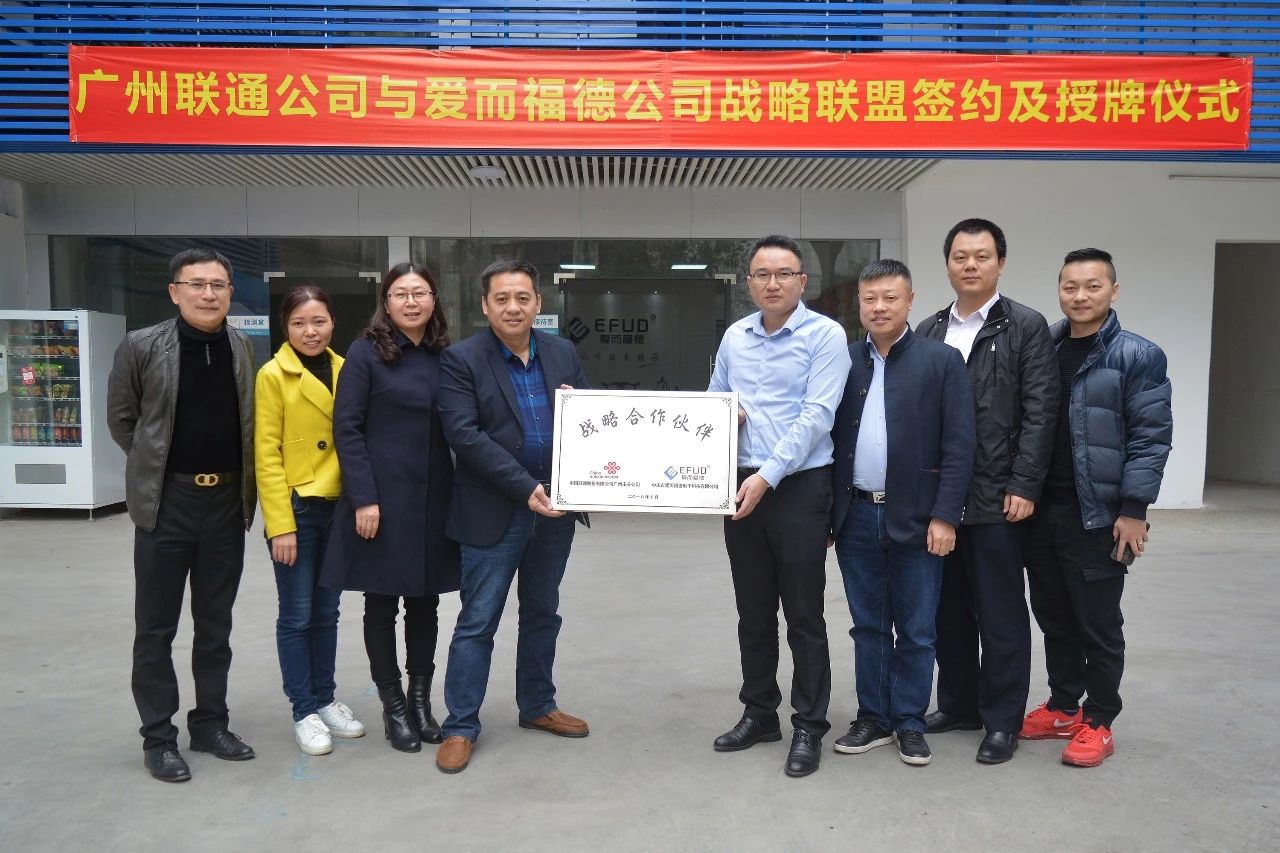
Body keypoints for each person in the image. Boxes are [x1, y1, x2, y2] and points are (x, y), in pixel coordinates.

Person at [434, 258, 591, 775]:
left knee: (543, 612)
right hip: (494, 512)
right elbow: (465, 435)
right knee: (478, 621)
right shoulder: (461, 359)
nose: (513, 307)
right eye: (501, 298)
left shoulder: (563, 353)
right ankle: (460, 725)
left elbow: (592, 421)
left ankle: (538, 705)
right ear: (485, 305)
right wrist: (526, 488)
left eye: (523, 297)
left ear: (538, 302)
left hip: (556, 510)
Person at [107, 247, 257, 783]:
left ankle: (211, 724)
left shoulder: (242, 347)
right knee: (156, 627)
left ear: (230, 293)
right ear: (175, 292)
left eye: (218, 285)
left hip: (226, 503)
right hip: (167, 504)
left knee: (215, 625)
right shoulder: (142, 346)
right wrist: (154, 470)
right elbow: (123, 420)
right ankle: (159, 737)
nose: (208, 294)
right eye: (197, 284)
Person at [1019, 248, 1172, 767]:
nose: (1080, 296)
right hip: (1042, 510)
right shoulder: (1045, 346)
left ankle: (1100, 719)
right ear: (1059, 291)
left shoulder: (1138, 355)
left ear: (1113, 291)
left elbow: (1151, 437)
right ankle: (1064, 706)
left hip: (1099, 515)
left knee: (1098, 623)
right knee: (1053, 615)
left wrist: (1134, 509)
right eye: (1070, 287)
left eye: (1092, 286)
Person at [707, 235, 852, 778]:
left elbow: (817, 416)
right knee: (753, 611)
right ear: (749, 282)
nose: (773, 283)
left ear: (802, 282)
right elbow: (713, 400)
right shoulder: (735, 336)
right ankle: (760, 713)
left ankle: (809, 724)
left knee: (804, 615)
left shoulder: (826, 336)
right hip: (740, 484)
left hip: (798, 488)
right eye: (762, 274)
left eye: (784, 273)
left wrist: (767, 477)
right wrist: (727, 415)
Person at [917, 218, 1059, 764]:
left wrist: (1024, 482)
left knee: (1000, 616)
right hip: (941, 500)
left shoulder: (1026, 326)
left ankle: (1002, 721)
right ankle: (958, 704)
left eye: (981, 256)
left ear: (1000, 263)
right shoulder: (929, 329)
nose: (970, 265)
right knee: (947, 612)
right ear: (947, 265)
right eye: (960, 256)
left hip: (1000, 499)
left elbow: (1041, 412)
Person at [829, 259, 975, 767]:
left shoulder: (942, 361)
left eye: (890, 297)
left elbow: (960, 445)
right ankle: (873, 716)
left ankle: (910, 720)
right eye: (869, 298)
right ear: (859, 304)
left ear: (910, 301)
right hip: (856, 516)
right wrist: (828, 515)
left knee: (917, 629)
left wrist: (946, 515)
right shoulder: (844, 361)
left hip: (919, 518)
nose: (879, 307)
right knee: (868, 626)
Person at [319, 263, 460, 754]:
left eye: (420, 293)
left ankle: (421, 703)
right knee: (380, 604)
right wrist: (364, 498)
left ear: (434, 299)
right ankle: (393, 706)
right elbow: (347, 429)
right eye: (401, 293)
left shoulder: (446, 356)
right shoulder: (365, 353)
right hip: (379, 500)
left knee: (425, 603)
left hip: (434, 498)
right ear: (386, 301)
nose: (411, 302)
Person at [255, 285, 366, 756]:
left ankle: (324, 698)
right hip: (298, 509)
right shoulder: (272, 375)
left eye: (319, 321)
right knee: (297, 613)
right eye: (299, 323)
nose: (310, 331)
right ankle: (303, 709)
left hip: (339, 506)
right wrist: (279, 524)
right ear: (286, 327)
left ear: (333, 323)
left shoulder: (349, 368)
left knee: (327, 611)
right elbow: (265, 454)